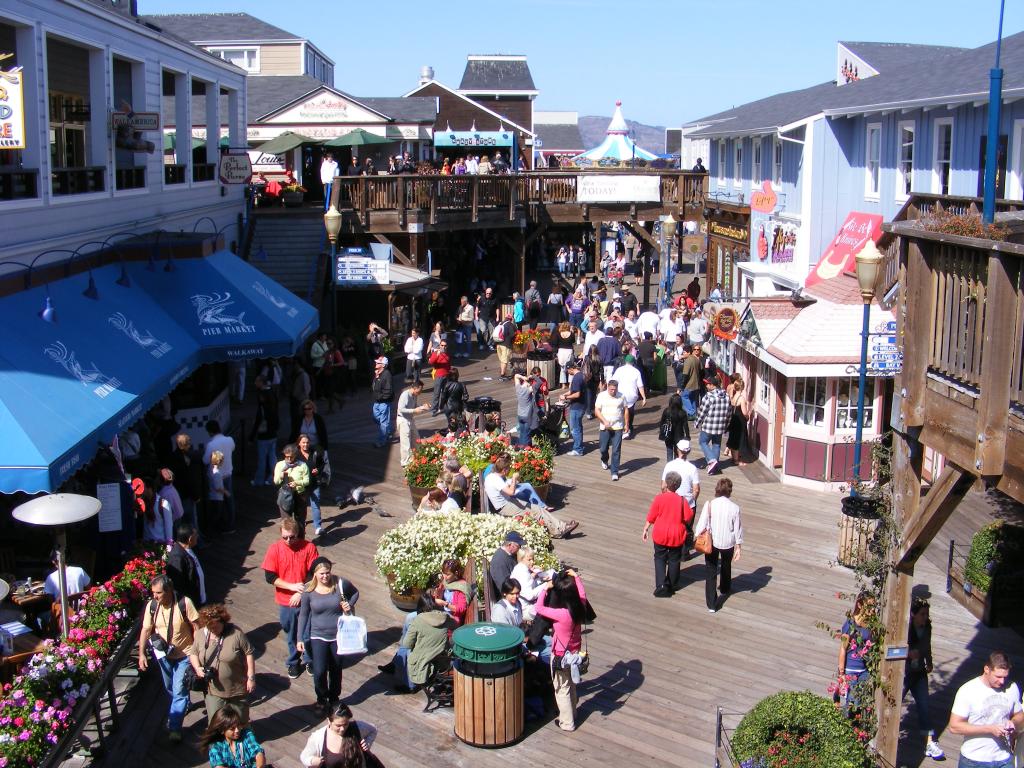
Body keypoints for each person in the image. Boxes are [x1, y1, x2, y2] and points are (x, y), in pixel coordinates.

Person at [138, 574, 200, 743]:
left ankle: (174, 728)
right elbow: (145, 630)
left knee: (178, 689)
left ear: (169, 591)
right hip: (163, 655)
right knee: (170, 687)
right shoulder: (152, 606)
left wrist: (198, 652)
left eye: (158, 593)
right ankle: (184, 703)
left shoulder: (184, 603)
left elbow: (197, 627)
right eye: (153, 592)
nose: (154, 596)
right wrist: (142, 653)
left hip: (184, 654)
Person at [261, 518, 320, 679]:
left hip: (305, 598)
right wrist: (291, 587)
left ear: (298, 534)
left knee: (307, 631)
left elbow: (314, 573)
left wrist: (300, 591)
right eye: (285, 537)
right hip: (285, 600)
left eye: (292, 537)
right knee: (291, 632)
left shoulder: (309, 547)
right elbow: (270, 576)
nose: (288, 540)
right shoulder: (274, 549)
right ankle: (293, 661)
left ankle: (309, 659)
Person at [298, 557, 359, 714]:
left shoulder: (339, 583)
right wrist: (299, 638)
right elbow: (303, 615)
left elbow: (355, 593)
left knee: (336, 669)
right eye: (322, 574)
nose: (325, 577)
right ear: (315, 574)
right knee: (319, 671)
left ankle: (334, 698)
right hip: (317, 635)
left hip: (338, 635)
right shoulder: (308, 591)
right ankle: (321, 698)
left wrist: (349, 605)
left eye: (327, 573)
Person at [948, 651, 1023, 768]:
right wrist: (989, 729)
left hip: (1004, 758)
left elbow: (1019, 715)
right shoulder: (968, 691)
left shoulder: (1012, 687)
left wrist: (1013, 723)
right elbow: (954, 727)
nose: (1002, 681)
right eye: (998, 676)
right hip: (974, 760)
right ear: (987, 669)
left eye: (1005, 677)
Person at [534, 569, 587, 732]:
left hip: (560, 655)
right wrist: (576, 578)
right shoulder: (580, 608)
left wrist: (545, 588)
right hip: (575, 653)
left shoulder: (561, 614)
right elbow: (583, 594)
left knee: (561, 689)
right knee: (571, 684)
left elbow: (539, 608)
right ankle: (573, 713)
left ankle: (567, 722)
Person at [189, 604, 256, 722]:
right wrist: (198, 668)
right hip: (213, 690)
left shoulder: (236, 634)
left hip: (237, 689)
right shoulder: (200, 635)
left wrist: (251, 678)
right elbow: (193, 653)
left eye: (216, 627)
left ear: (223, 622)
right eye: (210, 628)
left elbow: (249, 653)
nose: (213, 630)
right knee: (215, 723)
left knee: (241, 721)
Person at [484, 456, 578, 538]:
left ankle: (562, 527)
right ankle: (559, 531)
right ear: (504, 470)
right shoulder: (496, 480)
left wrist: (511, 482)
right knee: (536, 512)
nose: (509, 471)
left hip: (508, 503)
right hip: (505, 507)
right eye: (508, 469)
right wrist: (513, 479)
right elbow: (511, 492)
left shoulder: (493, 476)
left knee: (538, 508)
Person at [694, 478, 743, 613]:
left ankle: (711, 604)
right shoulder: (735, 508)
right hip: (728, 542)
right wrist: (738, 546)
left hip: (712, 541)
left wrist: (696, 535)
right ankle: (725, 588)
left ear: (717, 489)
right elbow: (737, 528)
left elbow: (702, 522)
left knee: (711, 570)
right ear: (730, 491)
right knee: (726, 565)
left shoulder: (710, 504)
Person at [904, 597, 945, 760]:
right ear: (913, 614)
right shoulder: (905, 628)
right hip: (905, 672)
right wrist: (907, 654)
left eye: (926, 614)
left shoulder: (927, 627)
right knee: (894, 700)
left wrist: (929, 661)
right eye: (922, 614)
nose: (925, 617)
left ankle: (929, 742)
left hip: (919, 671)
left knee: (924, 705)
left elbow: (927, 645)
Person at [643, 472, 694, 597]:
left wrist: (645, 529)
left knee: (659, 558)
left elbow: (651, 516)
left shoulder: (660, 498)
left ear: (666, 483)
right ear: (678, 485)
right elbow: (688, 517)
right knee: (674, 559)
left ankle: (661, 584)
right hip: (676, 534)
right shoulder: (682, 501)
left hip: (660, 533)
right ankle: (671, 585)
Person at [401, 593, 457, 691]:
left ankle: (411, 686)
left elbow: (406, 644)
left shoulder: (418, 620)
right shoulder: (445, 618)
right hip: (442, 661)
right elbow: (456, 626)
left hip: (425, 661)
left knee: (407, 652)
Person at [300, 703, 381, 768]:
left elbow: (373, 729)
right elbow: (304, 757)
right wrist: (312, 761)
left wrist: (367, 743)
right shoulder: (318, 738)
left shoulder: (357, 728)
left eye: (345, 724)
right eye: (338, 725)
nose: (342, 729)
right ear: (329, 721)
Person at [836, 592, 875, 711]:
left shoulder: (871, 624)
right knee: (852, 703)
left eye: (874, 606)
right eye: (869, 606)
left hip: (864, 670)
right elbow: (843, 649)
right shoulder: (850, 624)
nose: (872, 609)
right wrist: (842, 674)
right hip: (851, 670)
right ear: (859, 604)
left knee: (863, 703)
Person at [199, 704, 266, 768]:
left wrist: (259, 766)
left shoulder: (246, 734)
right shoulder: (215, 746)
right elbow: (219, 766)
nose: (237, 730)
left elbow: (259, 753)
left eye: (238, 726)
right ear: (222, 730)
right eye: (232, 729)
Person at [694, 375, 732, 475]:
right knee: (716, 444)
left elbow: (702, 412)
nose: (706, 386)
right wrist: (726, 425)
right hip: (720, 426)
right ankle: (715, 467)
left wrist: (697, 423)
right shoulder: (727, 396)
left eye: (707, 384)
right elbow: (729, 413)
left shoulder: (708, 397)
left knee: (703, 442)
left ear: (712, 385)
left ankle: (711, 460)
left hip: (709, 426)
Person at [203, 420, 236, 529]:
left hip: (216, 477)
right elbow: (232, 449)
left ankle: (217, 525)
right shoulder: (229, 440)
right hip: (228, 474)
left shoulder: (211, 444)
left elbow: (205, 461)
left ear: (210, 432)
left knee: (217, 503)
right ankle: (231, 524)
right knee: (229, 500)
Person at [166, 521, 206, 607]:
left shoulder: (189, 549)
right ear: (190, 539)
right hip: (191, 605)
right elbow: (178, 586)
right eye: (196, 535)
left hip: (199, 599)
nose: (197, 537)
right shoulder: (177, 558)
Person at [169, 433, 203, 534]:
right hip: (186, 495)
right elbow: (189, 480)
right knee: (192, 521)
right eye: (188, 444)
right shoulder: (185, 459)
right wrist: (196, 496)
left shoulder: (173, 456)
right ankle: (198, 542)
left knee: (180, 521)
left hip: (178, 494)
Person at [251, 378, 280, 487]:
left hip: (264, 435)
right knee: (272, 457)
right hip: (273, 434)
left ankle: (259, 480)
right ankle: (273, 478)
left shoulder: (263, 407)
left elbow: (258, 422)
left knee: (262, 459)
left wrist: (251, 436)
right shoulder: (273, 398)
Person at [594, 378, 626, 481]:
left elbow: (626, 410)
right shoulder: (601, 396)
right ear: (608, 387)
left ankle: (614, 472)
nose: (613, 391)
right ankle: (604, 459)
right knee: (603, 448)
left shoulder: (621, 396)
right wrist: (604, 421)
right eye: (611, 389)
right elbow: (597, 411)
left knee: (616, 450)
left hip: (618, 426)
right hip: (605, 427)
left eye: (615, 389)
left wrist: (627, 424)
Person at [298, 434, 328, 536]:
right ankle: (302, 522)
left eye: (307, 442)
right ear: (299, 443)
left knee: (315, 505)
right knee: (302, 505)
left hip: (315, 483)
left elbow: (322, 464)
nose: (305, 444)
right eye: (303, 442)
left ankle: (318, 526)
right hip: (302, 485)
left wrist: (318, 470)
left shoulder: (315, 452)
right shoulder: (296, 455)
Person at [274, 444, 311, 529]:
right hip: (285, 495)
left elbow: (307, 481)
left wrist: (297, 483)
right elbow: (276, 482)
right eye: (287, 457)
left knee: (300, 521)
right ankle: (288, 540)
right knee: (286, 522)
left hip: (299, 494)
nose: (289, 459)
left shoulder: (302, 465)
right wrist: (281, 476)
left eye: (291, 457)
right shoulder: (280, 465)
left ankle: (301, 540)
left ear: (296, 455)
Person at [610, 355, 646, 440]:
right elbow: (640, 386)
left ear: (625, 361)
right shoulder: (636, 371)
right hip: (632, 396)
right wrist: (644, 397)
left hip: (620, 395)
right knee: (630, 411)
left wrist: (610, 392)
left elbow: (613, 381)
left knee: (620, 412)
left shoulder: (619, 370)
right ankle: (628, 428)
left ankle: (620, 429)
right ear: (633, 362)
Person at [663, 439, 701, 515]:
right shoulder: (692, 468)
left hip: (671, 502)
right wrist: (692, 500)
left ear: (677, 450)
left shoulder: (669, 465)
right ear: (689, 452)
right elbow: (696, 490)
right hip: (687, 503)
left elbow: (663, 486)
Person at [397, 380, 430, 466]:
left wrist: (423, 407)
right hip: (403, 420)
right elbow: (401, 409)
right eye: (420, 390)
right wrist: (414, 410)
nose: (421, 392)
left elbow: (415, 406)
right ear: (415, 388)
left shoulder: (414, 395)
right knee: (406, 443)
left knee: (416, 439)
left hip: (410, 419)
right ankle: (405, 463)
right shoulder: (405, 395)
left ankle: (419, 456)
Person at [726, 373, 753, 465]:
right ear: (742, 387)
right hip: (740, 422)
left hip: (734, 420)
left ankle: (734, 458)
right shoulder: (741, 398)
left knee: (733, 439)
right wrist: (748, 416)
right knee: (739, 440)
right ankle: (737, 460)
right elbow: (744, 412)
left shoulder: (733, 397)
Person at [489, 531, 524, 599]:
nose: (520, 548)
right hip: (511, 596)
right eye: (518, 546)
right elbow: (504, 587)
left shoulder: (511, 554)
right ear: (510, 545)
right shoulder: (499, 561)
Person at [437, 558, 471, 626]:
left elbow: (461, 609)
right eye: (443, 573)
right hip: (442, 613)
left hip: (452, 620)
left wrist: (444, 604)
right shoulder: (447, 582)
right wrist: (438, 594)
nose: (445, 577)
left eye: (448, 574)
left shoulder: (461, 587)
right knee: (411, 617)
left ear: (456, 573)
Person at [563, 358, 587, 456]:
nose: (567, 373)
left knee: (575, 429)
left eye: (567, 370)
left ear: (571, 369)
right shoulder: (581, 375)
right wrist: (565, 394)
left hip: (577, 407)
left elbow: (577, 394)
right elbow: (573, 390)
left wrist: (566, 398)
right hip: (582, 405)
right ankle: (578, 445)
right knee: (579, 427)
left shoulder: (576, 378)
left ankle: (578, 449)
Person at [659, 394, 690, 462]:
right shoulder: (683, 413)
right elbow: (685, 426)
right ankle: (677, 467)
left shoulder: (667, 411)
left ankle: (669, 466)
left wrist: (661, 432)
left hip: (668, 435)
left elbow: (662, 423)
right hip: (679, 436)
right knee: (677, 453)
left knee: (669, 451)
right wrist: (687, 436)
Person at [370, 356, 393, 448]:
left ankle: (381, 441)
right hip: (377, 401)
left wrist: (381, 397)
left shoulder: (387, 375)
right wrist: (376, 377)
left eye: (378, 363)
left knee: (383, 422)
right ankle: (388, 430)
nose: (376, 364)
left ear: (383, 365)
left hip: (383, 402)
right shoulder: (378, 373)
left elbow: (388, 390)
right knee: (375, 418)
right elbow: (373, 386)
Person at [514, 373, 541, 446]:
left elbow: (516, 376)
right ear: (528, 384)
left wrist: (523, 377)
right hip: (527, 416)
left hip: (520, 415)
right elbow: (539, 382)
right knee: (527, 434)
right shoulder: (528, 390)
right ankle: (526, 449)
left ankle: (521, 447)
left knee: (522, 433)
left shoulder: (518, 388)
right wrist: (533, 376)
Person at [428, 338, 453, 416]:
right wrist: (437, 355)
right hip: (438, 376)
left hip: (446, 375)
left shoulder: (447, 354)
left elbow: (448, 365)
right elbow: (430, 362)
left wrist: (450, 374)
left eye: (445, 346)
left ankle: (442, 407)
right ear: (439, 345)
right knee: (437, 393)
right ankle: (434, 409)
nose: (443, 347)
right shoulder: (436, 353)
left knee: (445, 393)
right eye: (442, 345)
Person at [495, 314, 516, 380]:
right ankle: (502, 375)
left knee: (502, 360)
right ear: (511, 319)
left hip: (498, 343)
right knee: (504, 360)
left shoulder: (501, 323)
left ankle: (503, 372)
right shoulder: (510, 324)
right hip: (506, 345)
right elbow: (512, 335)